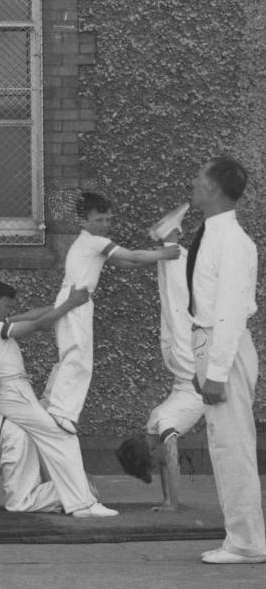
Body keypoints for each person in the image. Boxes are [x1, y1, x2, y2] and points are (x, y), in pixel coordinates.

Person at [0, 276, 115, 518]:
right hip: (14, 395)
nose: (9, 310)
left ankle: (74, 498)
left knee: (52, 437)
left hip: (18, 393)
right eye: (5, 305)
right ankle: (82, 504)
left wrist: (62, 304)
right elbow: (36, 325)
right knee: (60, 432)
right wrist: (69, 305)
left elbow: (32, 315)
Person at [41, 192, 181, 435]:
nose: (105, 225)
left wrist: (155, 257)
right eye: (99, 221)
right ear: (83, 221)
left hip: (75, 300)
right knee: (78, 357)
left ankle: (50, 404)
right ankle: (60, 411)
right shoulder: (92, 242)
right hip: (77, 300)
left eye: (108, 220)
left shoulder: (91, 244)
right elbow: (133, 256)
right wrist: (164, 254)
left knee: (72, 354)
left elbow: (129, 263)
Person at [185, 157, 266, 564]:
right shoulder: (211, 236)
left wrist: (216, 371)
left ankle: (248, 543)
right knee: (223, 445)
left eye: (200, 179)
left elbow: (231, 311)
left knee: (233, 445)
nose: (194, 184)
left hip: (224, 347)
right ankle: (240, 536)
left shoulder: (234, 242)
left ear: (215, 188)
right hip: (209, 343)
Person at [113, 205, 204, 512]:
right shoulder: (154, 427)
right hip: (180, 367)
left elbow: (172, 461)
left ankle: (172, 241)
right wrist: (168, 501)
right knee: (172, 305)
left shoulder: (163, 425)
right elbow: (166, 462)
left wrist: (173, 503)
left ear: (150, 452)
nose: (159, 466)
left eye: (152, 464)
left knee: (177, 304)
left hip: (188, 368)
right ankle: (169, 241)